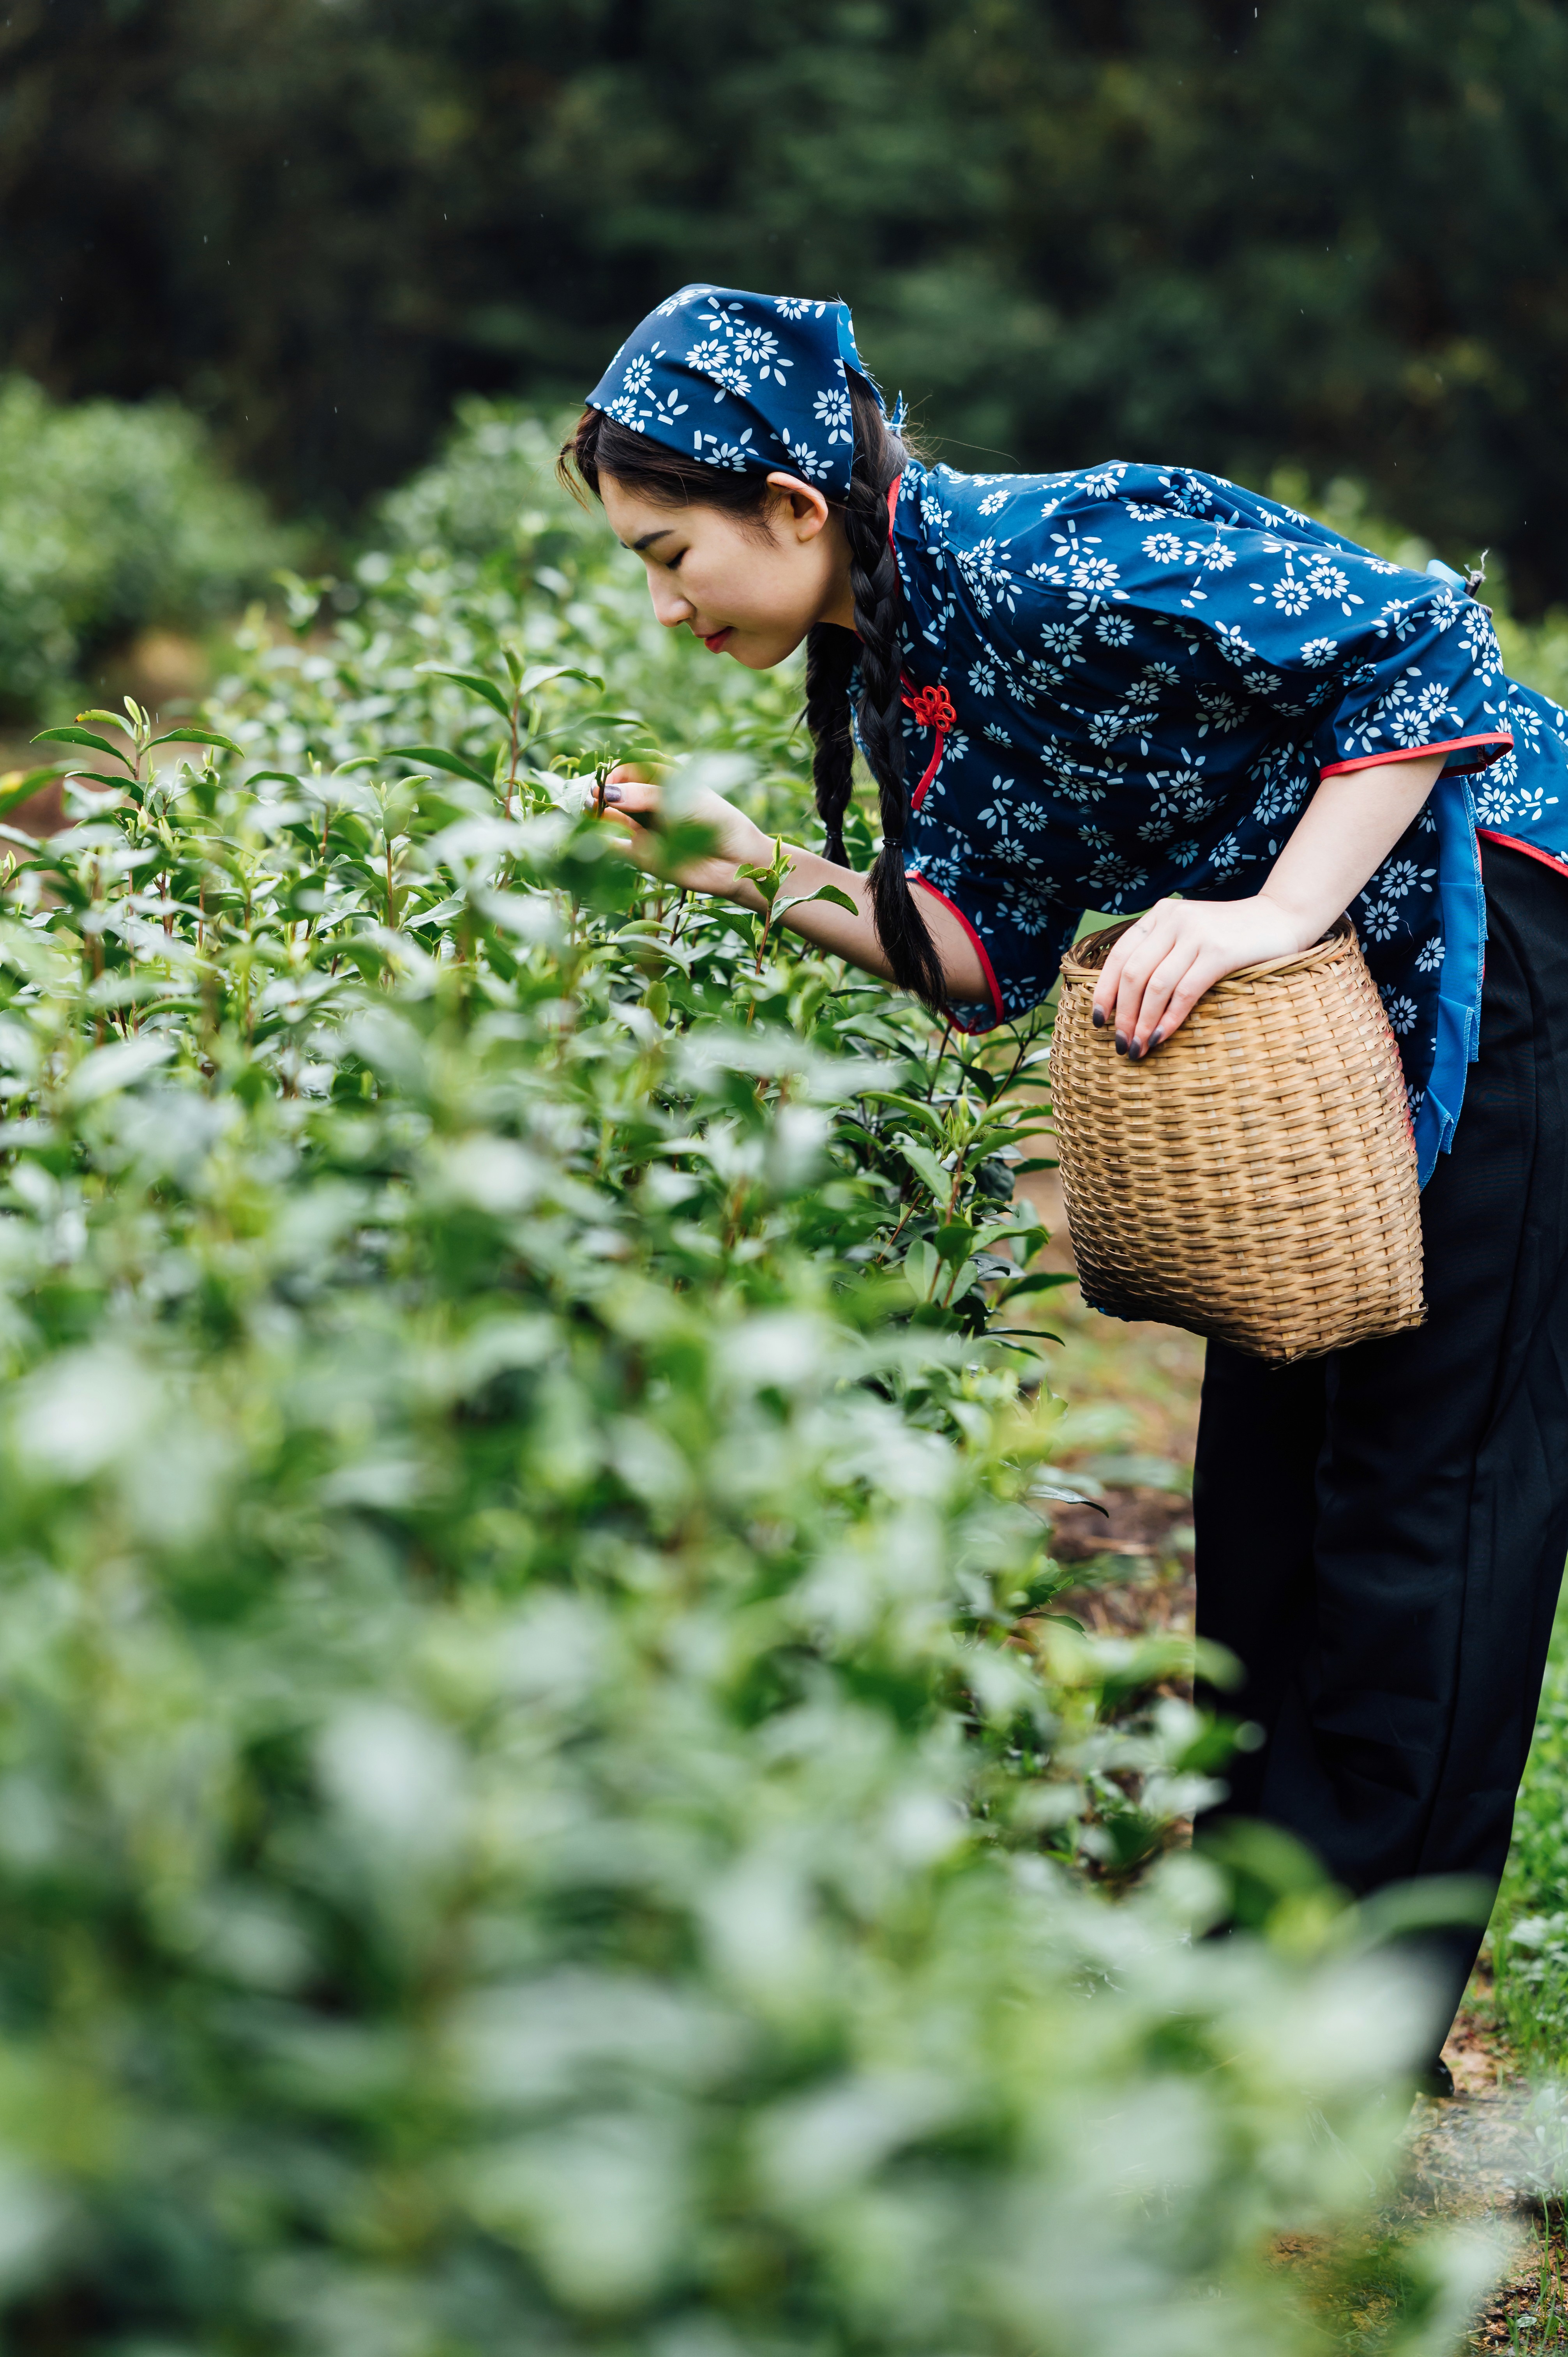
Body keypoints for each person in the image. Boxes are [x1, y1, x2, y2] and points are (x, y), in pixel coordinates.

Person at [562, 282, 1568, 2086]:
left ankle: (1356, 2027)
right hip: (1319, 1032)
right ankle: (1256, 1940)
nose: (663, 602)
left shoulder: (1051, 553)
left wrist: (1271, 908)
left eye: (668, 551)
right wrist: (740, 864)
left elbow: (1424, 646)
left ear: (792, 508)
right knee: (1269, 1470)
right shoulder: (910, 661)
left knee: (1433, 1479)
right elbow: (971, 950)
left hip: (1495, 939)